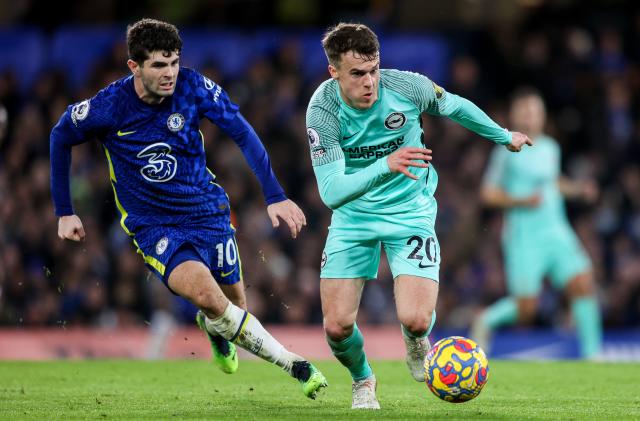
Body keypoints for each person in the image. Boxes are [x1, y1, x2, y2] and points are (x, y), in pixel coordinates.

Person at [50, 18, 327, 399]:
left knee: (233, 306)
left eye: (174, 62)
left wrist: (274, 195)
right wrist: (65, 210)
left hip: (207, 212)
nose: (169, 74)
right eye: (158, 65)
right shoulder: (108, 106)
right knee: (210, 297)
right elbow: (60, 134)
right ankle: (296, 365)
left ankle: (215, 328)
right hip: (155, 226)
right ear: (134, 66)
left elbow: (242, 132)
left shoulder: (193, 87)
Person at [305, 22, 532, 409]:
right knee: (337, 327)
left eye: (374, 69)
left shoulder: (407, 87)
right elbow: (331, 192)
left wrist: (502, 135)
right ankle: (363, 379)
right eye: (357, 74)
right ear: (334, 72)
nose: (370, 82)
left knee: (415, 318)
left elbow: (455, 105)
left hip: (410, 210)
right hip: (353, 215)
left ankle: (415, 342)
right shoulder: (323, 110)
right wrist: (386, 165)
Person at [471, 87, 602, 359]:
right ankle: (485, 320)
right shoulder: (506, 149)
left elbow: (553, 183)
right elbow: (487, 193)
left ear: (543, 116)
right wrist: (520, 201)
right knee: (526, 308)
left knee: (582, 283)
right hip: (524, 235)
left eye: (535, 111)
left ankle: (594, 357)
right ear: (515, 115)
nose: (530, 117)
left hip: (556, 230)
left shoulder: (551, 148)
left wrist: (578, 190)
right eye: (525, 111)